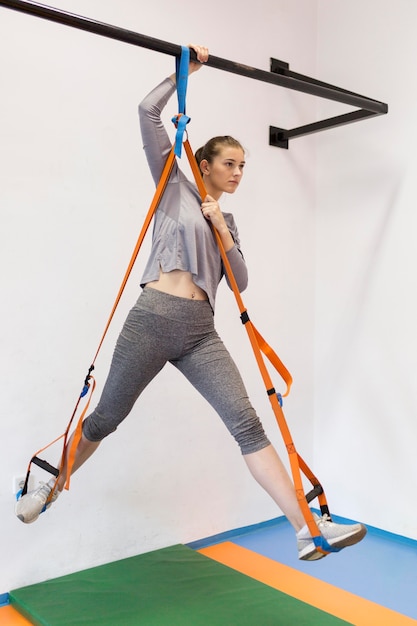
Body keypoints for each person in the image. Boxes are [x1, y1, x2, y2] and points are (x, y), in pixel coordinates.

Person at [16, 45, 366, 561]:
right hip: (153, 319)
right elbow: (146, 113)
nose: (238, 173)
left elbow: (239, 281)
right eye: (230, 163)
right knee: (106, 418)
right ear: (203, 162)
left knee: (247, 424)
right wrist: (186, 73)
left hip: (201, 330)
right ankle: (49, 485)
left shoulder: (228, 221)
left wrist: (222, 227)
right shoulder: (172, 187)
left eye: (244, 166)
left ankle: (308, 528)